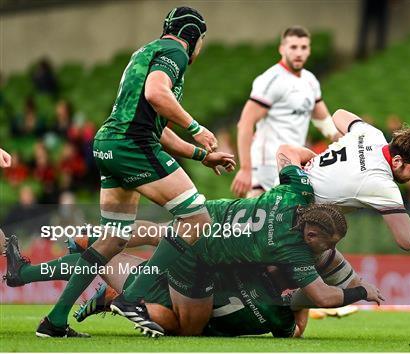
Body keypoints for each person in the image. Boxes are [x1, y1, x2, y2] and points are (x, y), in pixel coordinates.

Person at [35, 6, 234, 338]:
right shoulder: (176, 51)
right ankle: (133, 297)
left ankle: (54, 321)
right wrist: (196, 127)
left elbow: (159, 126)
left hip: (108, 145)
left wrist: (201, 155)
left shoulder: (145, 52)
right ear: (195, 36)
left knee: (113, 239)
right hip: (131, 146)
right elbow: (156, 94)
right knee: (197, 219)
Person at [110, 151, 383, 337]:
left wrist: (317, 163)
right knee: (188, 329)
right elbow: (321, 297)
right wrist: (361, 292)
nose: (328, 250)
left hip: (212, 213)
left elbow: (286, 152)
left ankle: (99, 240)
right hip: (202, 252)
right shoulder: (291, 251)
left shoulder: (296, 193)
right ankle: (120, 296)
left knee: (156, 232)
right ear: (311, 236)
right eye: (328, 244)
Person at [3, 232, 375, 338]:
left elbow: (304, 306)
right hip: (182, 290)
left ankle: (115, 293)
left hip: (181, 294)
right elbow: (303, 312)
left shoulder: (282, 306)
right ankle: (117, 291)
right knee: (116, 255)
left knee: (117, 255)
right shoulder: (272, 296)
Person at [281, 109, 410, 251]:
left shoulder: (372, 133)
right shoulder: (383, 185)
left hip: (283, 194)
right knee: (344, 276)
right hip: (290, 227)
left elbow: (338, 114)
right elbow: (407, 241)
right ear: (397, 161)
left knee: (347, 275)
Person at [231, 26, 339, 198]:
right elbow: (245, 123)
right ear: (282, 49)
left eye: (303, 47)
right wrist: (245, 169)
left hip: (293, 163)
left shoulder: (310, 80)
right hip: (266, 164)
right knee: (259, 218)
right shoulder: (271, 80)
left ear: (309, 50)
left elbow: (323, 121)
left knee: (286, 220)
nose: (299, 52)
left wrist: (345, 141)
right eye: (293, 47)